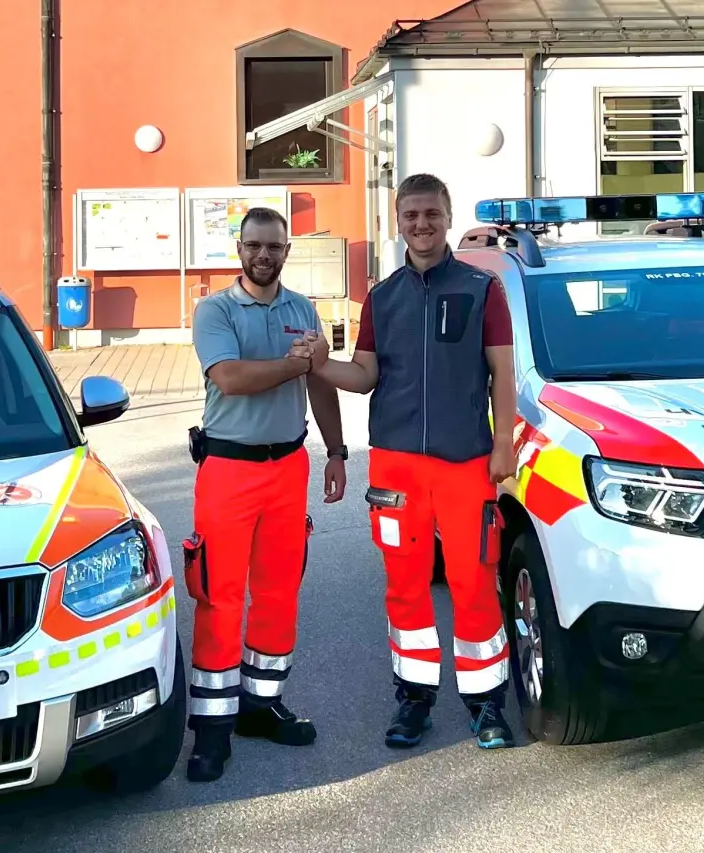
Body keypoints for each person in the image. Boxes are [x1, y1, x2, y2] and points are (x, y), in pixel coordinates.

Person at [292, 173, 519, 750]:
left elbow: (502, 372)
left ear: (447, 217)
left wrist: (502, 445)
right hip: (396, 467)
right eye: (411, 215)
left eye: (431, 214)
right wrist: (321, 364)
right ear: (398, 221)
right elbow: (365, 375)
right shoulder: (382, 296)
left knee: (473, 582)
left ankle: (486, 700)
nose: (421, 224)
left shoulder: (480, 288)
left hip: (465, 461)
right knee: (405, 585)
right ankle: (414, 698)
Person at [183, 206, 348, 782]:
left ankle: (260, 704)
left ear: (286, 250)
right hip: (229, 467)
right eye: (254, 245)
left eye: (274, 247)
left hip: (288, 467)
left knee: (279, 591)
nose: (263, 255)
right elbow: (229, 378)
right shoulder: (216, 310)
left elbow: (319, 381)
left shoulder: (303, 309)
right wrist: (293, 362)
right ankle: (211, 727)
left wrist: (337, 451)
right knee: (219, 594)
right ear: (240, 249)